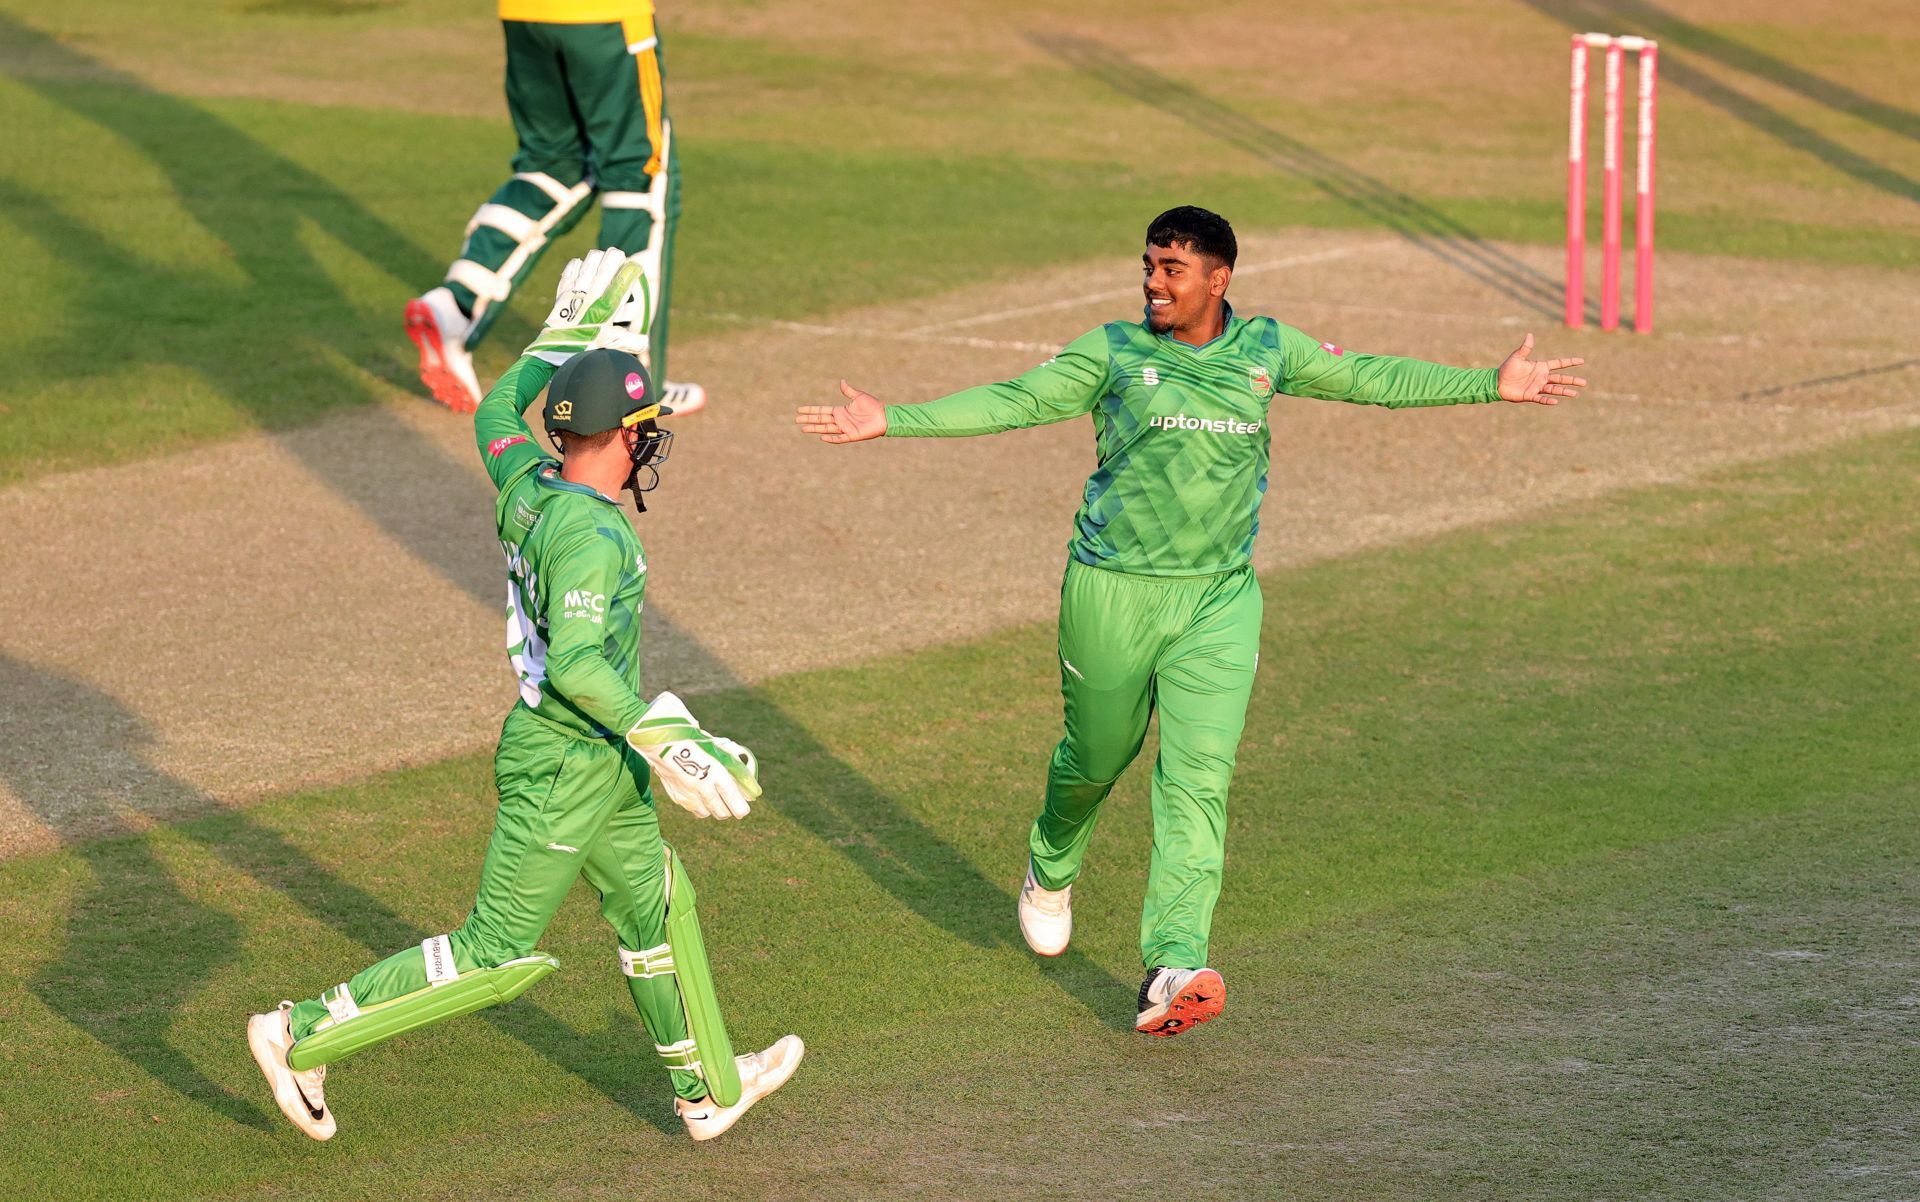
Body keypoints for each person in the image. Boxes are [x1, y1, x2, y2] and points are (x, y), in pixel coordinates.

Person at [796, 206, 1586, 1037]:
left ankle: (1173, 961)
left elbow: (1371, 379)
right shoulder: (1114, 351)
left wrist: (1487, 383)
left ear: (1219, 278)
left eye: (1171, 269)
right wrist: (898, 418)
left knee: (1198, 779)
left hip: (1217, 598)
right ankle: (1052, 860)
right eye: (1148, 266)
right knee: (1098, 755)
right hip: (1112, 591)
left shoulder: (1268, 350)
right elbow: (1019, 400)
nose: (1153, 283)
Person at [252, 250, 800, 1141]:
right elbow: (583, 665)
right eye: (646, 423)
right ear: (625, 436)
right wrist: (665, 735)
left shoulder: (525, 479)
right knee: (495, 951)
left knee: (656, 902)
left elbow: (499, 409)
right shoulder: (593, 540)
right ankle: (296, 1032)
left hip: (594, 757)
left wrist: (562, 333)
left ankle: (706, 1090)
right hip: (564, 755)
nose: (654, 436)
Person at [405, 0, 703, 417]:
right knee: (639, 181)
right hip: (605, 18)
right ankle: (630, 379)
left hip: (525, 14)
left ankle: (454, 305)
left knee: (552, 168)